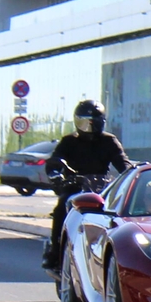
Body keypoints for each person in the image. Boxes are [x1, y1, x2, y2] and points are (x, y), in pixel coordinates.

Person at [42, 100, 131, 270]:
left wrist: (129, 175)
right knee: (62, 207)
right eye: (84, 122)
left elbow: (123, 163)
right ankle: (55, 251)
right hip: (74, 187)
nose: (88, 127)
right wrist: (55, 173)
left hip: (101, 189)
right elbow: (55, 160)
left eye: (93, 122)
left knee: (115, 213)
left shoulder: (109, 141)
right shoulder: (69, 141)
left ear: (101, 122)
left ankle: (111, 252)